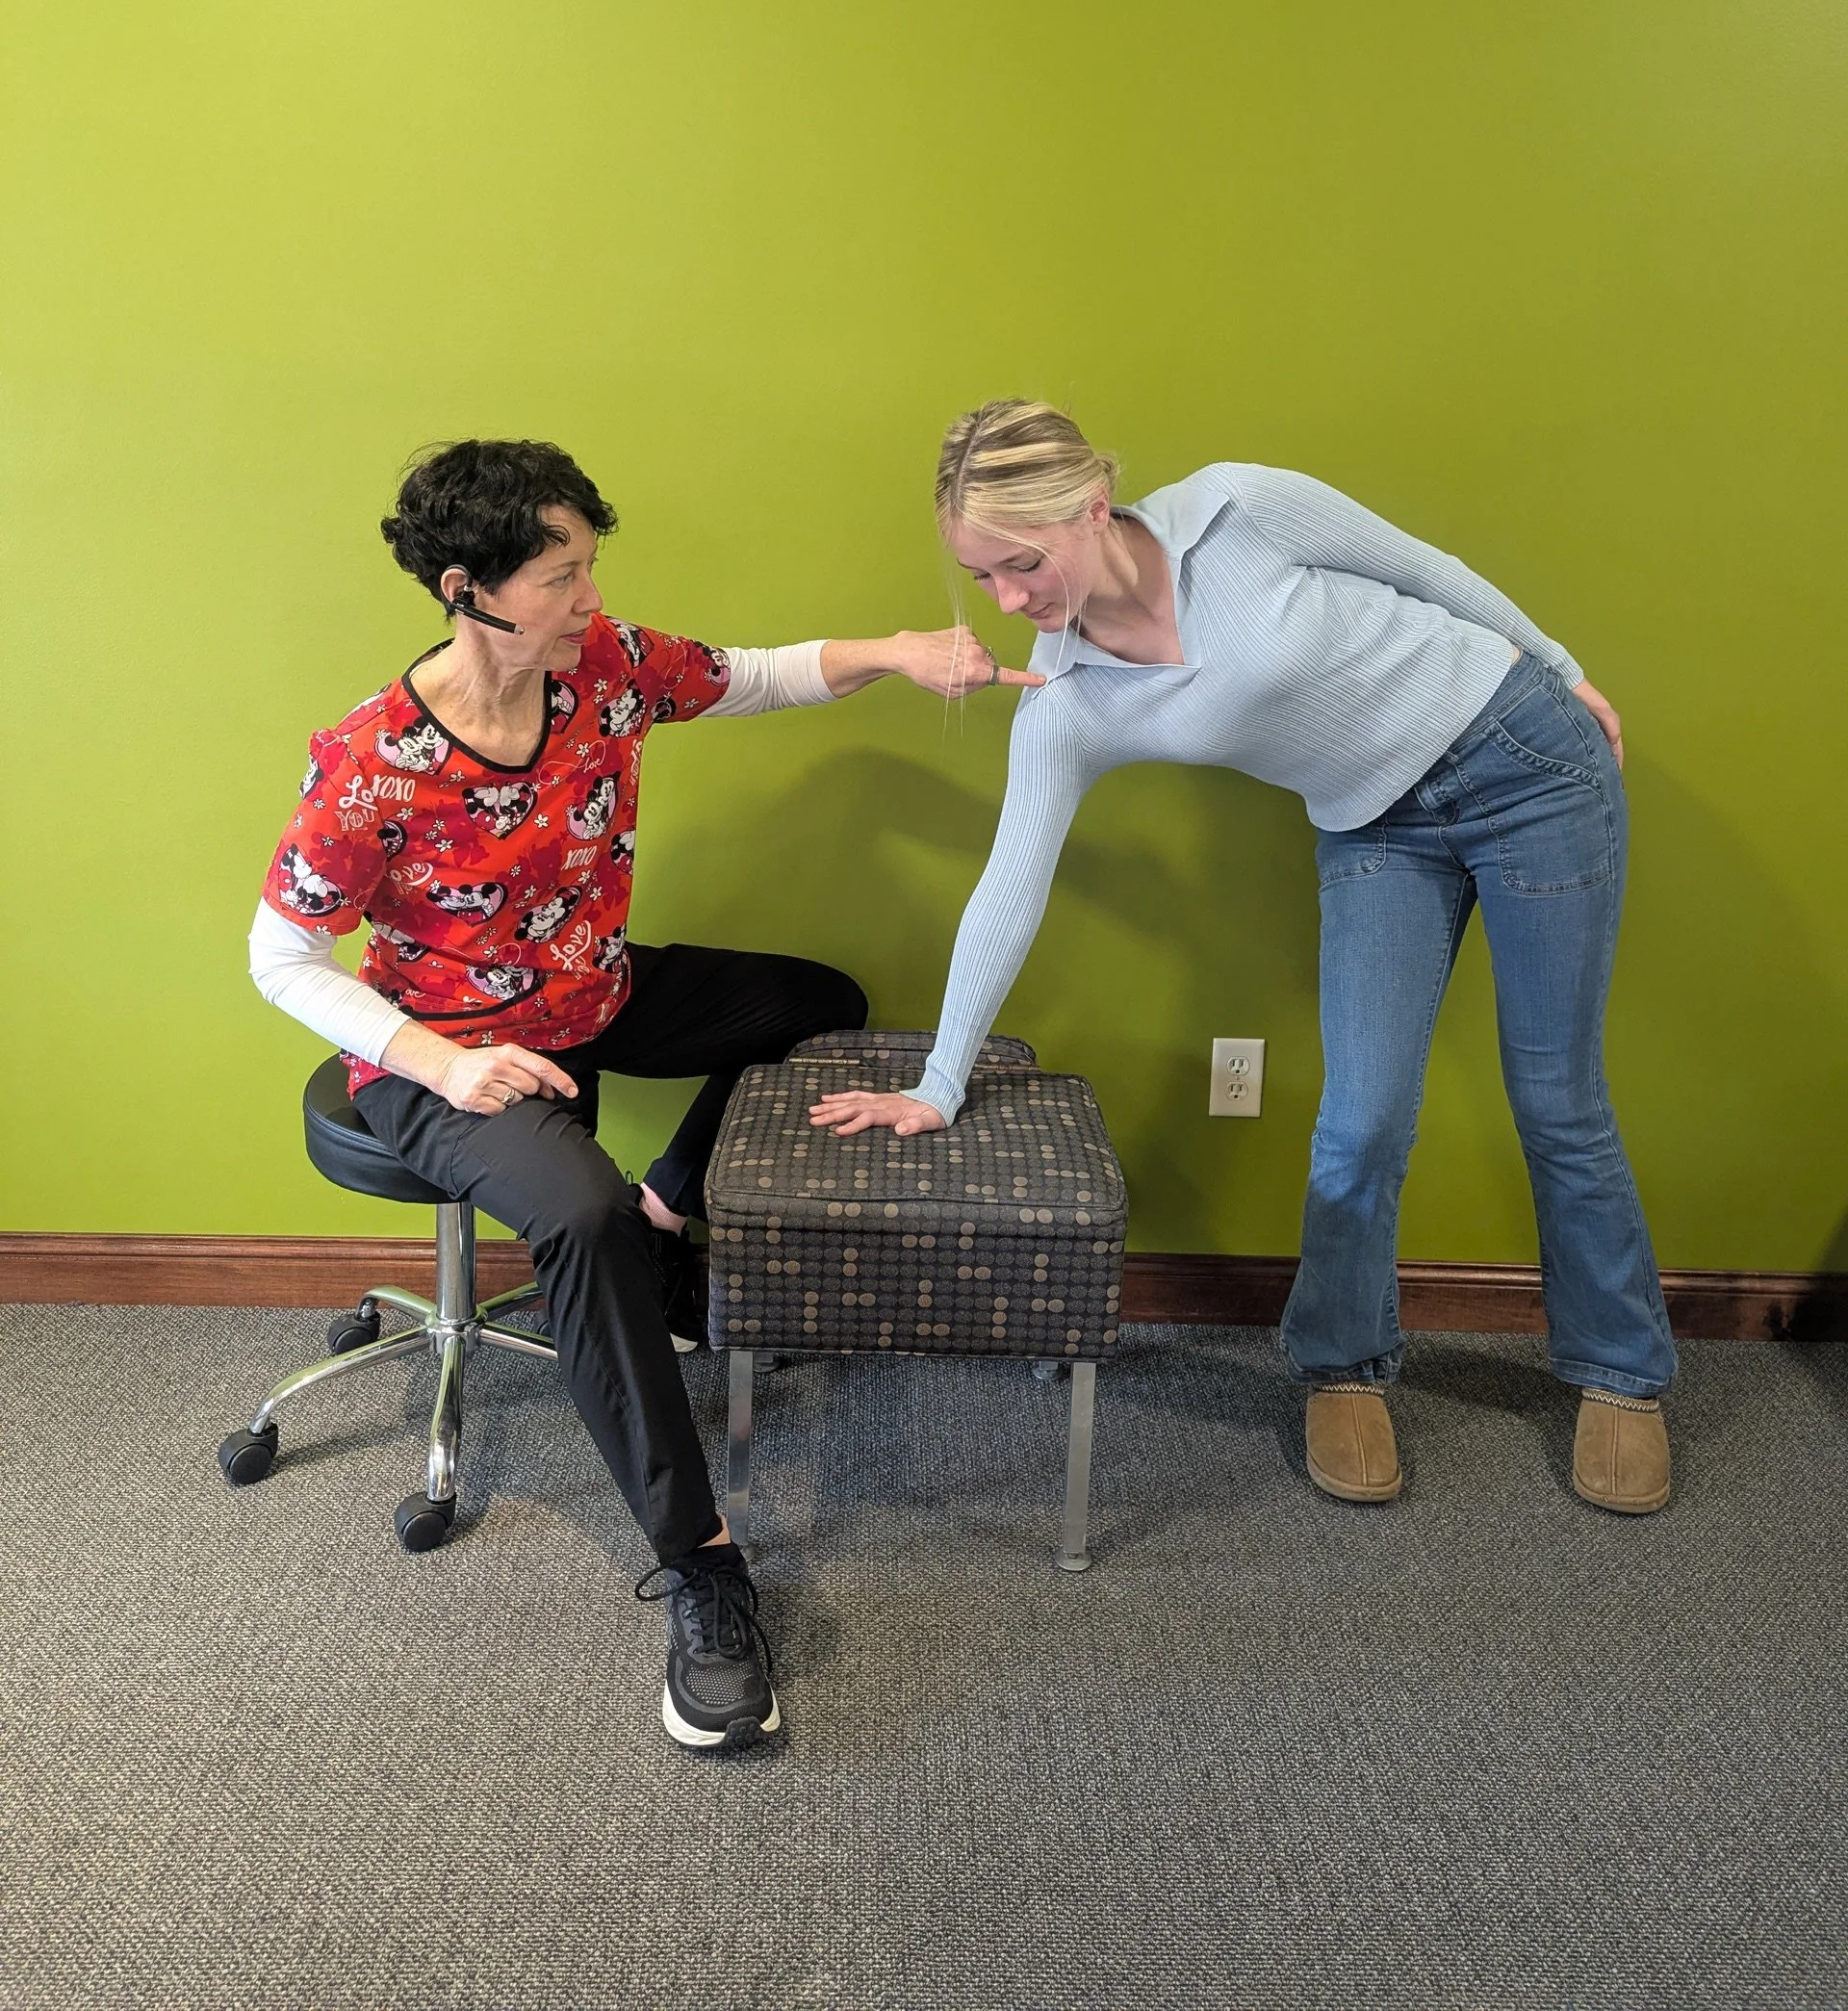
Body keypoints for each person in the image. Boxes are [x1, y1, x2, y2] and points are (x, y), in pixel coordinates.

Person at [249, 437, 1032, 1752]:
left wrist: (898, 651)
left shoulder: (602, 667)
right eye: (561, 576)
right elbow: (279, 954)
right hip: (447, 1056)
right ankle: (703, 1565)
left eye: (589, 567)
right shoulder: (374, 762)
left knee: (818, 1002)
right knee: (581, 1214)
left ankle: (670, 1217)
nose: (590, 597)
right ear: (467, 589)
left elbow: (753, 675)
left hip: (592, 995)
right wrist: (443, 1063)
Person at [811, 400, 1676, 1516]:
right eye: (981, 578)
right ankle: (1342, 1368)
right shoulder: (1066, 695)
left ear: (1091, 506)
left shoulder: (1238, 509)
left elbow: (1425, 570)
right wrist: (939, 1080)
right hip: (1377, 827)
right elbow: (1009, 883)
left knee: (1557, 1098)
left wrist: (1562, 667)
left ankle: (1620, 1375)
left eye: (1022, 563)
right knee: (1362, 1121)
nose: (1010, 600)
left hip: (1525, 760)